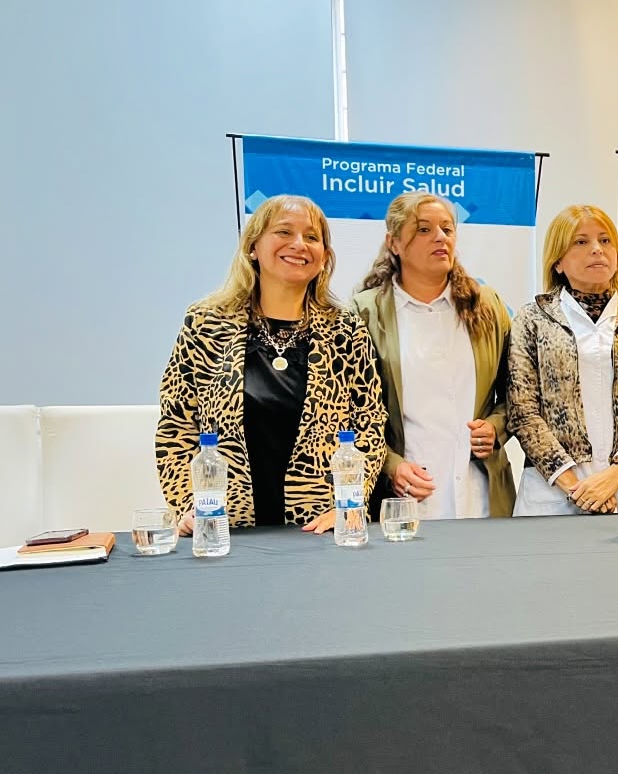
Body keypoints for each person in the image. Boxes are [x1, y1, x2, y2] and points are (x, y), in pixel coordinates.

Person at [156, 194, 386, 533]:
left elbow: (370, 424)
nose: (299, 244)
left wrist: (349, 504)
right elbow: (176, 427)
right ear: (253, 247)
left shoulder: (346, 330)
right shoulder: (205, 324)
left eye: (312, 237)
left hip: (317, 530)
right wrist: (188, 504)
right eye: (284, 232)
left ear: (324, 257)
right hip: (224, 528)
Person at [353, 192, 516, 519]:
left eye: (447, 229)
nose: (440, 237)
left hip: (481, 498)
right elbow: (351, 413)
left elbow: (518, 393)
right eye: (424, 229)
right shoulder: (365, 312)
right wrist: (391, 465)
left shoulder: (487, 305)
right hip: (403, 501)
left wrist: (496, 427)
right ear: (394, 243)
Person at [507, 204, 618, 516]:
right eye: (581, 242)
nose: (597, 249)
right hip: (553, 492)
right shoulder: (532, 320)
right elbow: (523, 412)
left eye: (605, 240)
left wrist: (617, 473)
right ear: (558, 261)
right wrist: (578, 489)